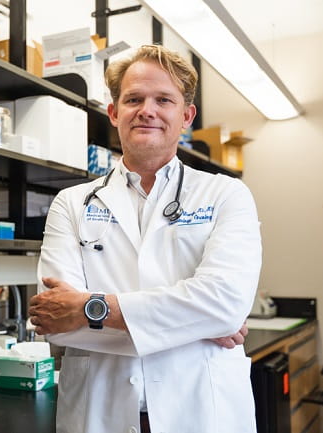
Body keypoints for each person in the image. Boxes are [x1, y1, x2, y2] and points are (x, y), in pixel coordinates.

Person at [28, 45, 262, 433]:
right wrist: (196, 325)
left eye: (163, 100)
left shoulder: (226, 194)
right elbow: (57, 321)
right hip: (99, 413)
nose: (147, 110)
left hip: (202, 411)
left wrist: (89, 308)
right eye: (133, 99)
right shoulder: (71, 203)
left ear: (185, 116)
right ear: (115, 112)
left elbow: (226, 305)